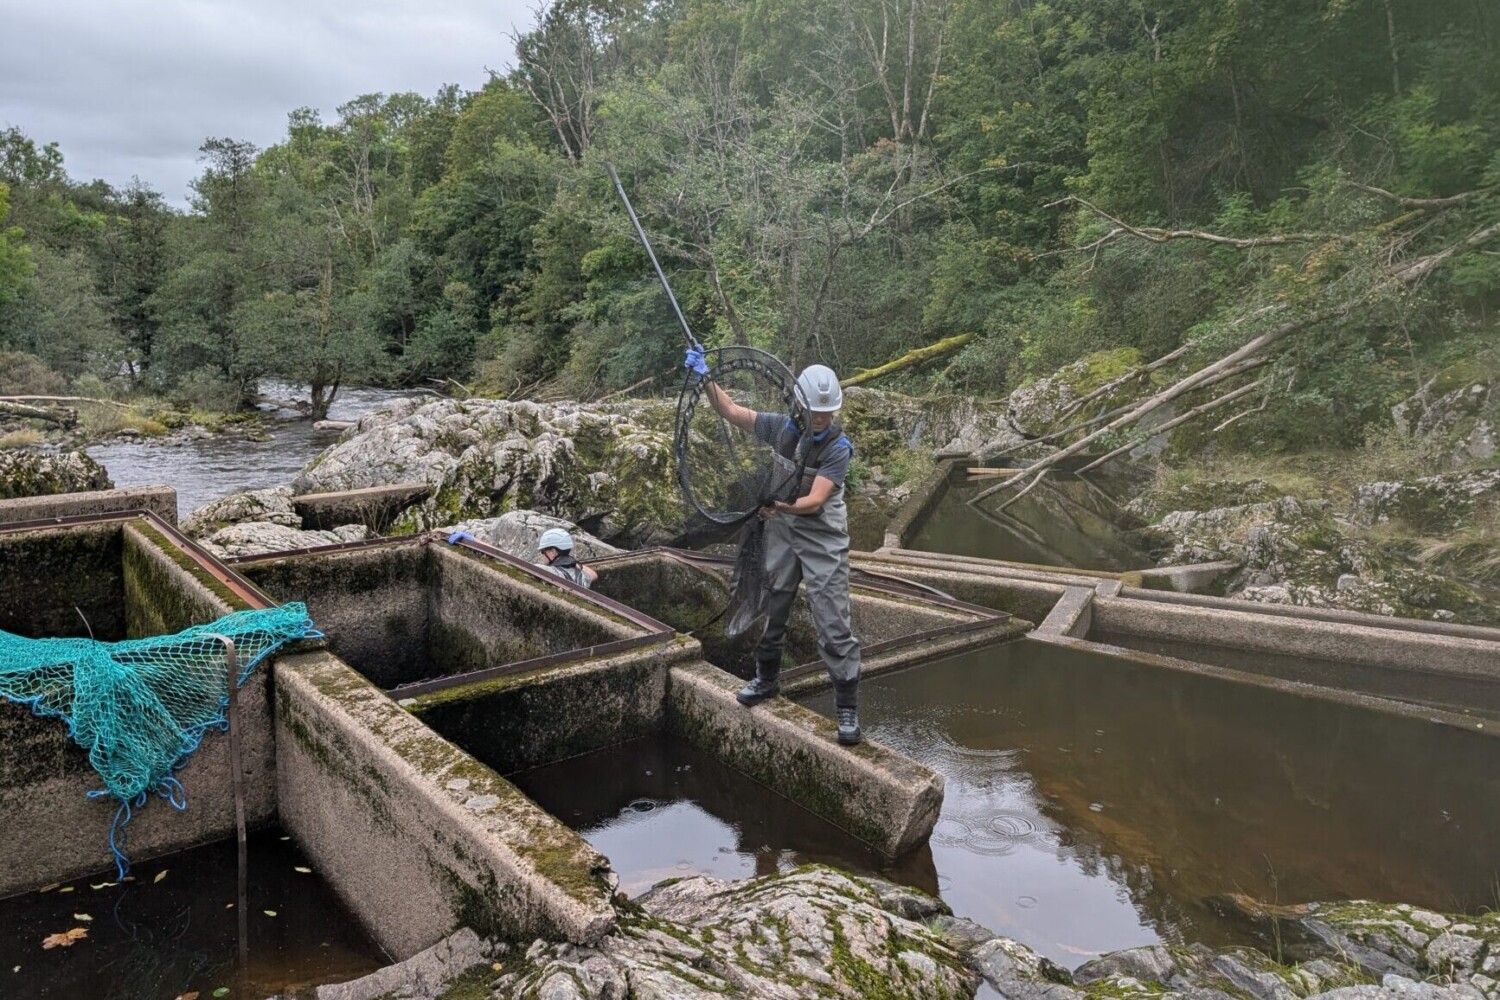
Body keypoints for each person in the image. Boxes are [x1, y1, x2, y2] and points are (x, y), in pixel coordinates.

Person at [686, 348, 863, 745]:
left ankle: (847, 707)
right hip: (782, 532)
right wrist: (705, 378)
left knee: (833, 621)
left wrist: (778, 506)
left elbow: (816, 500)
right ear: (799, 405)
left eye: (827, 413)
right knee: (771, 606)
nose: (821, 419)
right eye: (815, 412)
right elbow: (731, 411)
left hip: (822, 537)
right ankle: (766, 679)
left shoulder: (838, 448)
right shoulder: (779, 428)